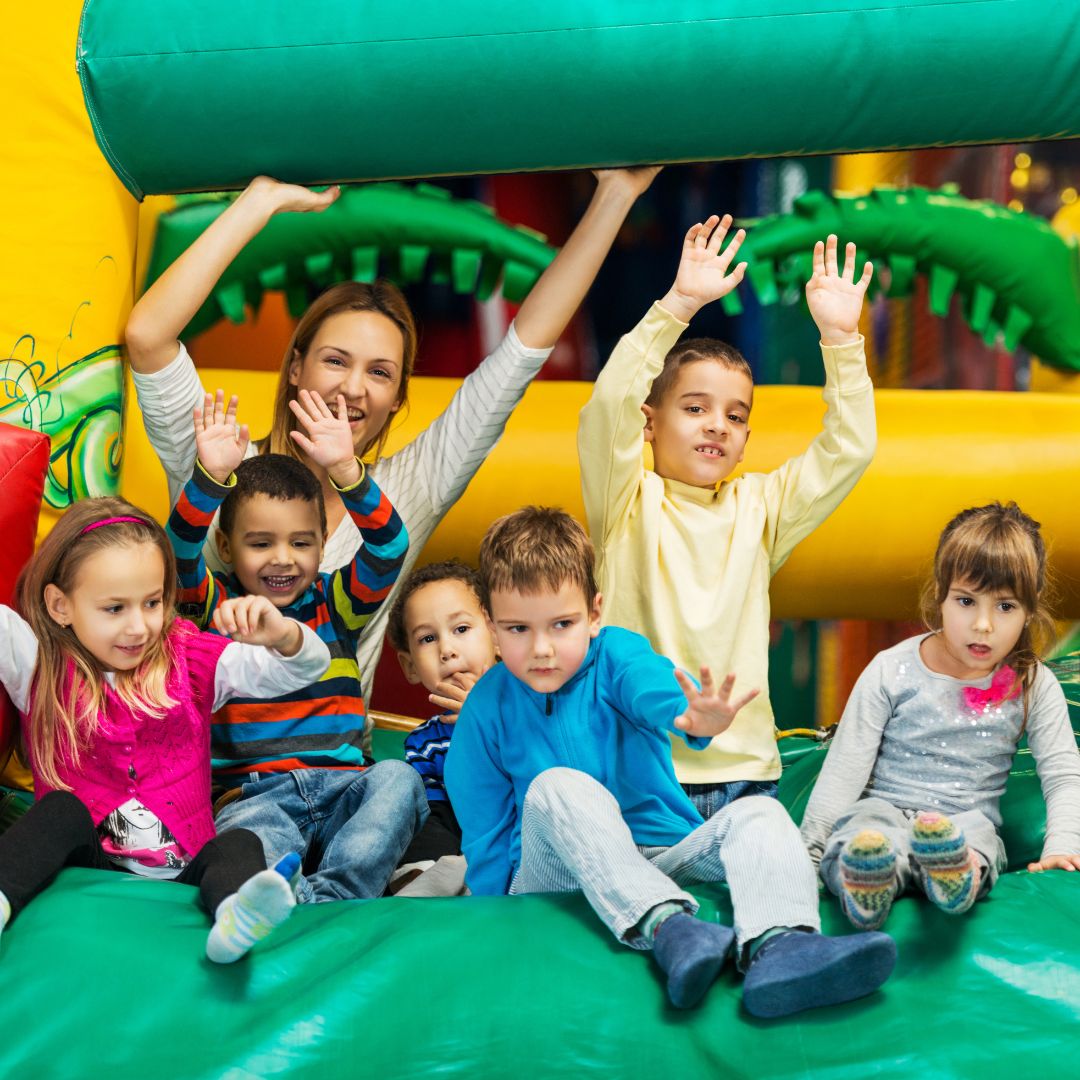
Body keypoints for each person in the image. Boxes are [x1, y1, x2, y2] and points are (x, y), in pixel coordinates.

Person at [125, 167, 661, 711]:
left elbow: (522, 351)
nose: (353, 388)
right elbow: (148, 336)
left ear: (397, 398)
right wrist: (257, 206)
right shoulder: (221, 455)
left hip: (337, 769)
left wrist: (615, 196)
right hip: (218, 765)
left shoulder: (406, 490)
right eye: (335, 361)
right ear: (294, 367)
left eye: (379, 373)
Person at [444, 507, 895, 1016]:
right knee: (554, 786)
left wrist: (690, 717)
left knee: (760, 812)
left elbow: (650, 685)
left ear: (594, 614)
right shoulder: (485, 709)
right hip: (557, 874)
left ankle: (784, 946)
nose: (542, 648)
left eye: (562, 624)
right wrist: (495, 918)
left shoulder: (615, 655)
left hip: (661, 854)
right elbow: (483, 831)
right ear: (492, 627)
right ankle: (669, 928)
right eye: (518, 629)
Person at [578, 214, 876, 818]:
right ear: (650, 422)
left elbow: (849, 448)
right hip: (637, 772)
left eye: (736, 416)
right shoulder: (626, 501)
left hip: (744, 775)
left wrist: (842, 343)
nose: (718, 423)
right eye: (695, 407)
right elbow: (608, 402)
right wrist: (679, 303)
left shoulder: (759, 509)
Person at [0, 498, 331, 963]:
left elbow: (300, 671)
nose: (139, 627)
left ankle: (235, 917)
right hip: (86, 867)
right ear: (60, 605)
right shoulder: (38, 664)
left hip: (180, 878)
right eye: (114, 608)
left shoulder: (190, 661)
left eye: (152, 602)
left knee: (240, 842)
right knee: (59, 811)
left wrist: (284, 636)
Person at [166, 388, 425, 902]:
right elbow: (177, 552)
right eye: (260, 543)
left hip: (344, 786)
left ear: (323, 544)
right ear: (226, 547)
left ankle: (334, 897)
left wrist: (347, 471)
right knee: (250, 840)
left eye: (301, 543)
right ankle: (291, 895)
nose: (282, 559)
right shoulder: (214, 606)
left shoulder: (338, 600)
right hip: (255, 793)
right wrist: (210, 478)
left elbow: (391, 546)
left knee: (399, 780)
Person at [801, 502, 1080, 930]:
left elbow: (1062, 771)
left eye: (1005, 607)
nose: (983, 624)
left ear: (1030, 609)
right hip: (886, 810)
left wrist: (1062, 846)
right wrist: (810, 853)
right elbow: (845, 767)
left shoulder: (1031, 683)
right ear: (941, 595)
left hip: (963, 824)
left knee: (980, 837)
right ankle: (868, 878)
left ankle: (955, 874)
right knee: (864, 828)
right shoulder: (891, 669)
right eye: (966, 601)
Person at [386, 560, 497, 865]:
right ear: (410, 666)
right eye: (428, 639)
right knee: (417, 822)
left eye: (461, 629)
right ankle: (426, 877)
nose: (446, 649)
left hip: (518, 821)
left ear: (497, 634)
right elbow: (432, 815)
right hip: (457, 838)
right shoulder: (424, 742)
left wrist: (483, 718)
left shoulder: (527, 706)